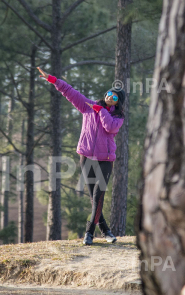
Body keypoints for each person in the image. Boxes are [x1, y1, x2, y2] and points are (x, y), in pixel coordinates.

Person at [37, 67, 125, 246]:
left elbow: (109, 127)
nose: (110, 96)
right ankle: (107, 231)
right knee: (94, 199)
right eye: (109, 93)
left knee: (98, 196)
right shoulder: (88, 106)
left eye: (114, 96)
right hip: (86, 157)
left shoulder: (118, 117)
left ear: (118, 102)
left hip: (105, 160)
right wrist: (53, 79)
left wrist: (101, 110)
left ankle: (88, 234)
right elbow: (70, 92)